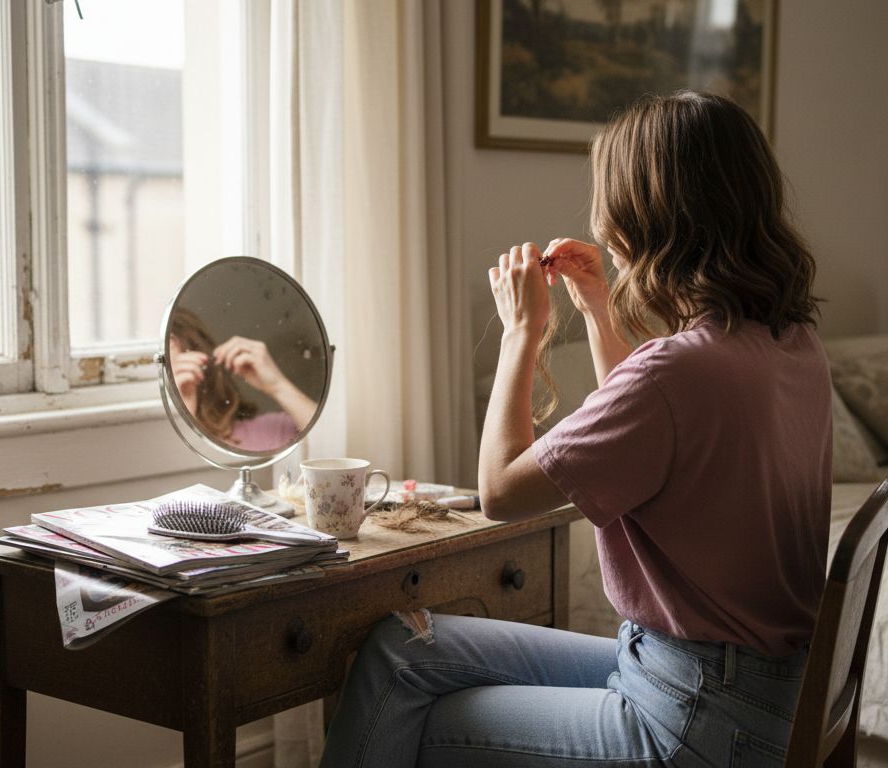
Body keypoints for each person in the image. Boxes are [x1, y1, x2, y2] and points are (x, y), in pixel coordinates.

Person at [318, 90, 832, 767]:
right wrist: (596, 307)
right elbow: (652, 426)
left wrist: (521, 333)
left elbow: (500, 493)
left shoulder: (677, 374)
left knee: (421, 709)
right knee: (400, 648)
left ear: (644, 219)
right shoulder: (788, 344)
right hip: (749, 694)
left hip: (695, 720)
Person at [168, 308, 317, 451]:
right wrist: (184, 415)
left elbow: (330, 441)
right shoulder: (154, 445)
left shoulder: (271, 432)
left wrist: (278, 386)